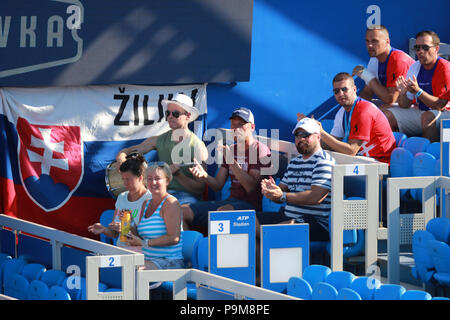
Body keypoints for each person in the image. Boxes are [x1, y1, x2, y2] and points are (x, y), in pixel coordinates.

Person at [181, 107, 271, 231]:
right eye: (233, 124)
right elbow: (218, 185)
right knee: (182, 211)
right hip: (230, 202)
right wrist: (204, 176)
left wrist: (231, 161)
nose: (236, 129)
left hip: (251, 207)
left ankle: (216, 249)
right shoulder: (232, 150)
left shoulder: (260, 150)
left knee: (222, 213)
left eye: (241, 124)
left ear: (252, 127)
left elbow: (250, 187)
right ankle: (193, 248)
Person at [115, 93, 208, 204]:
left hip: (185, 198)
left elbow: (200, 189)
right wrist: (121, 158)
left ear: (187, 116)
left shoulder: (198, 146)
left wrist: (178, 175)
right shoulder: (158, 140)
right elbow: (126, 151)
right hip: (159, 195)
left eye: (176, 114)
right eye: (168, 113)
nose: (170, 116)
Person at [256, 118, 335, 241]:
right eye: (298, 135)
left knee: (286, 228)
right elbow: (280, 194)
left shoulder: (324, 161)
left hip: (315, 223)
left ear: (318, 137)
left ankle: (266, 239)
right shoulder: (294, 162)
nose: (301, 139)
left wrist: (282, 195)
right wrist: (271, 192)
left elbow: (316, 197)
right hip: (287, 216)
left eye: (306, 135)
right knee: (249, 221)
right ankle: (263, 247)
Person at [384, 30, 450, 142]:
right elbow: (405, 105)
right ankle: (393, 154)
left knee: (427, 117)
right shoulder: (415, 67)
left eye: (425, 47)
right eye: (417, 48)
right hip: (422, 112)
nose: (420, 52)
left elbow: (440, 105)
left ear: (436, 49)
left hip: (446, 113)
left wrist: (418, 91)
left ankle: (430, 156)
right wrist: (403, 93)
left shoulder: (445, 68)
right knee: (387, 115)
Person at [317, 72, 396, 164]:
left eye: (344, 89)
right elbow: (333, 143)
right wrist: (310, 136)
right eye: (336, 91)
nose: (340, 94)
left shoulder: (363, 111)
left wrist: (322, 133)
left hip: (380, 164)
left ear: (354, 89)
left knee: (326, 163)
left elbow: (351, 151)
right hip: (363, 159)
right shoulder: (342, 112)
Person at [126, 162, 184, 270]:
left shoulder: (171, 203)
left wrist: (144, 243)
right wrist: (129, 227)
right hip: (147, 260)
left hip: (170, 262)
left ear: (167, 180)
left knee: (133, 271)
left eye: (158, 178)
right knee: (117, 267)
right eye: (149, 179)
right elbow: (141, 237)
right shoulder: (146, 203)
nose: (153, 182)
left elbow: (174, 238)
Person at [88, 154, 151, 251]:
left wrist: (127, 230)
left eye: (128, 179)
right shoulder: (122, 197)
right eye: (123, 179)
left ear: (140, 178)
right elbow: (115, 233)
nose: (125, 183)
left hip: (142, 253)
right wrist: (104, 229)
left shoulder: (150, 199)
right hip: (121, 250)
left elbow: (148, 239)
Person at [352, 25, 414, 109]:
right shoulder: (374, 59)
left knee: (382, 113)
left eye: (374, 41)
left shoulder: (398, 61)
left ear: (387, 41)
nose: (369, 45)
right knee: (359, 107)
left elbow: (390, 99)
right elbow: (367, 92)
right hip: (397, 104)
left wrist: (367, 76)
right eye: (367, 41)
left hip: (415, 106)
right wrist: (355, 107)